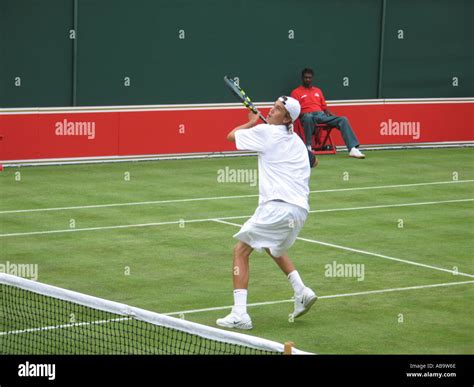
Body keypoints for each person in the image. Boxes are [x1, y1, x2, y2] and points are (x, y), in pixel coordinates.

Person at [216, 96, 317, 330]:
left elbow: (230, 136)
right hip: (299, 211)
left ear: (287, 118)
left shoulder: (265, 132)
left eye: (278, 109)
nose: (271, 111)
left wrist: (252, 122)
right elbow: (315, 162)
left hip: (277, 207)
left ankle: (239, 314)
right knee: (273, 247)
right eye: (273, 107)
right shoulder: (298, 142)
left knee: (240, 250)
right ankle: (301, 290)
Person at [291, 68, 366, 159]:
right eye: (306, 77)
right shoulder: (296, 92)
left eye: (309, 78)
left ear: (312, 78)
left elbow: (324, 108)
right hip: (307, 116)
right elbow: (295, 110)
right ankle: (308, 147)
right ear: (302, 78)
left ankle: (352, 149)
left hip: (321, 115)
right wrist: (304, 114)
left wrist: (332, 116)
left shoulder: (318, 91)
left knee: (343, 119)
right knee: (308, 117)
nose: (308, 80)